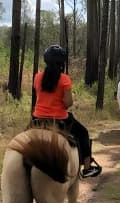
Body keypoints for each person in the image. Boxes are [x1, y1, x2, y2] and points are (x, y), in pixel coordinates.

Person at [32, 44, 101, 178]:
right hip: (60, 120)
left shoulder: (37, 77)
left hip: (38, 120)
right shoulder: (64, 79)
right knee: (83, 133)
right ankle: (87, 168)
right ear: (61, 63)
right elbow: (68, 103)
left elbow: (40, 96)